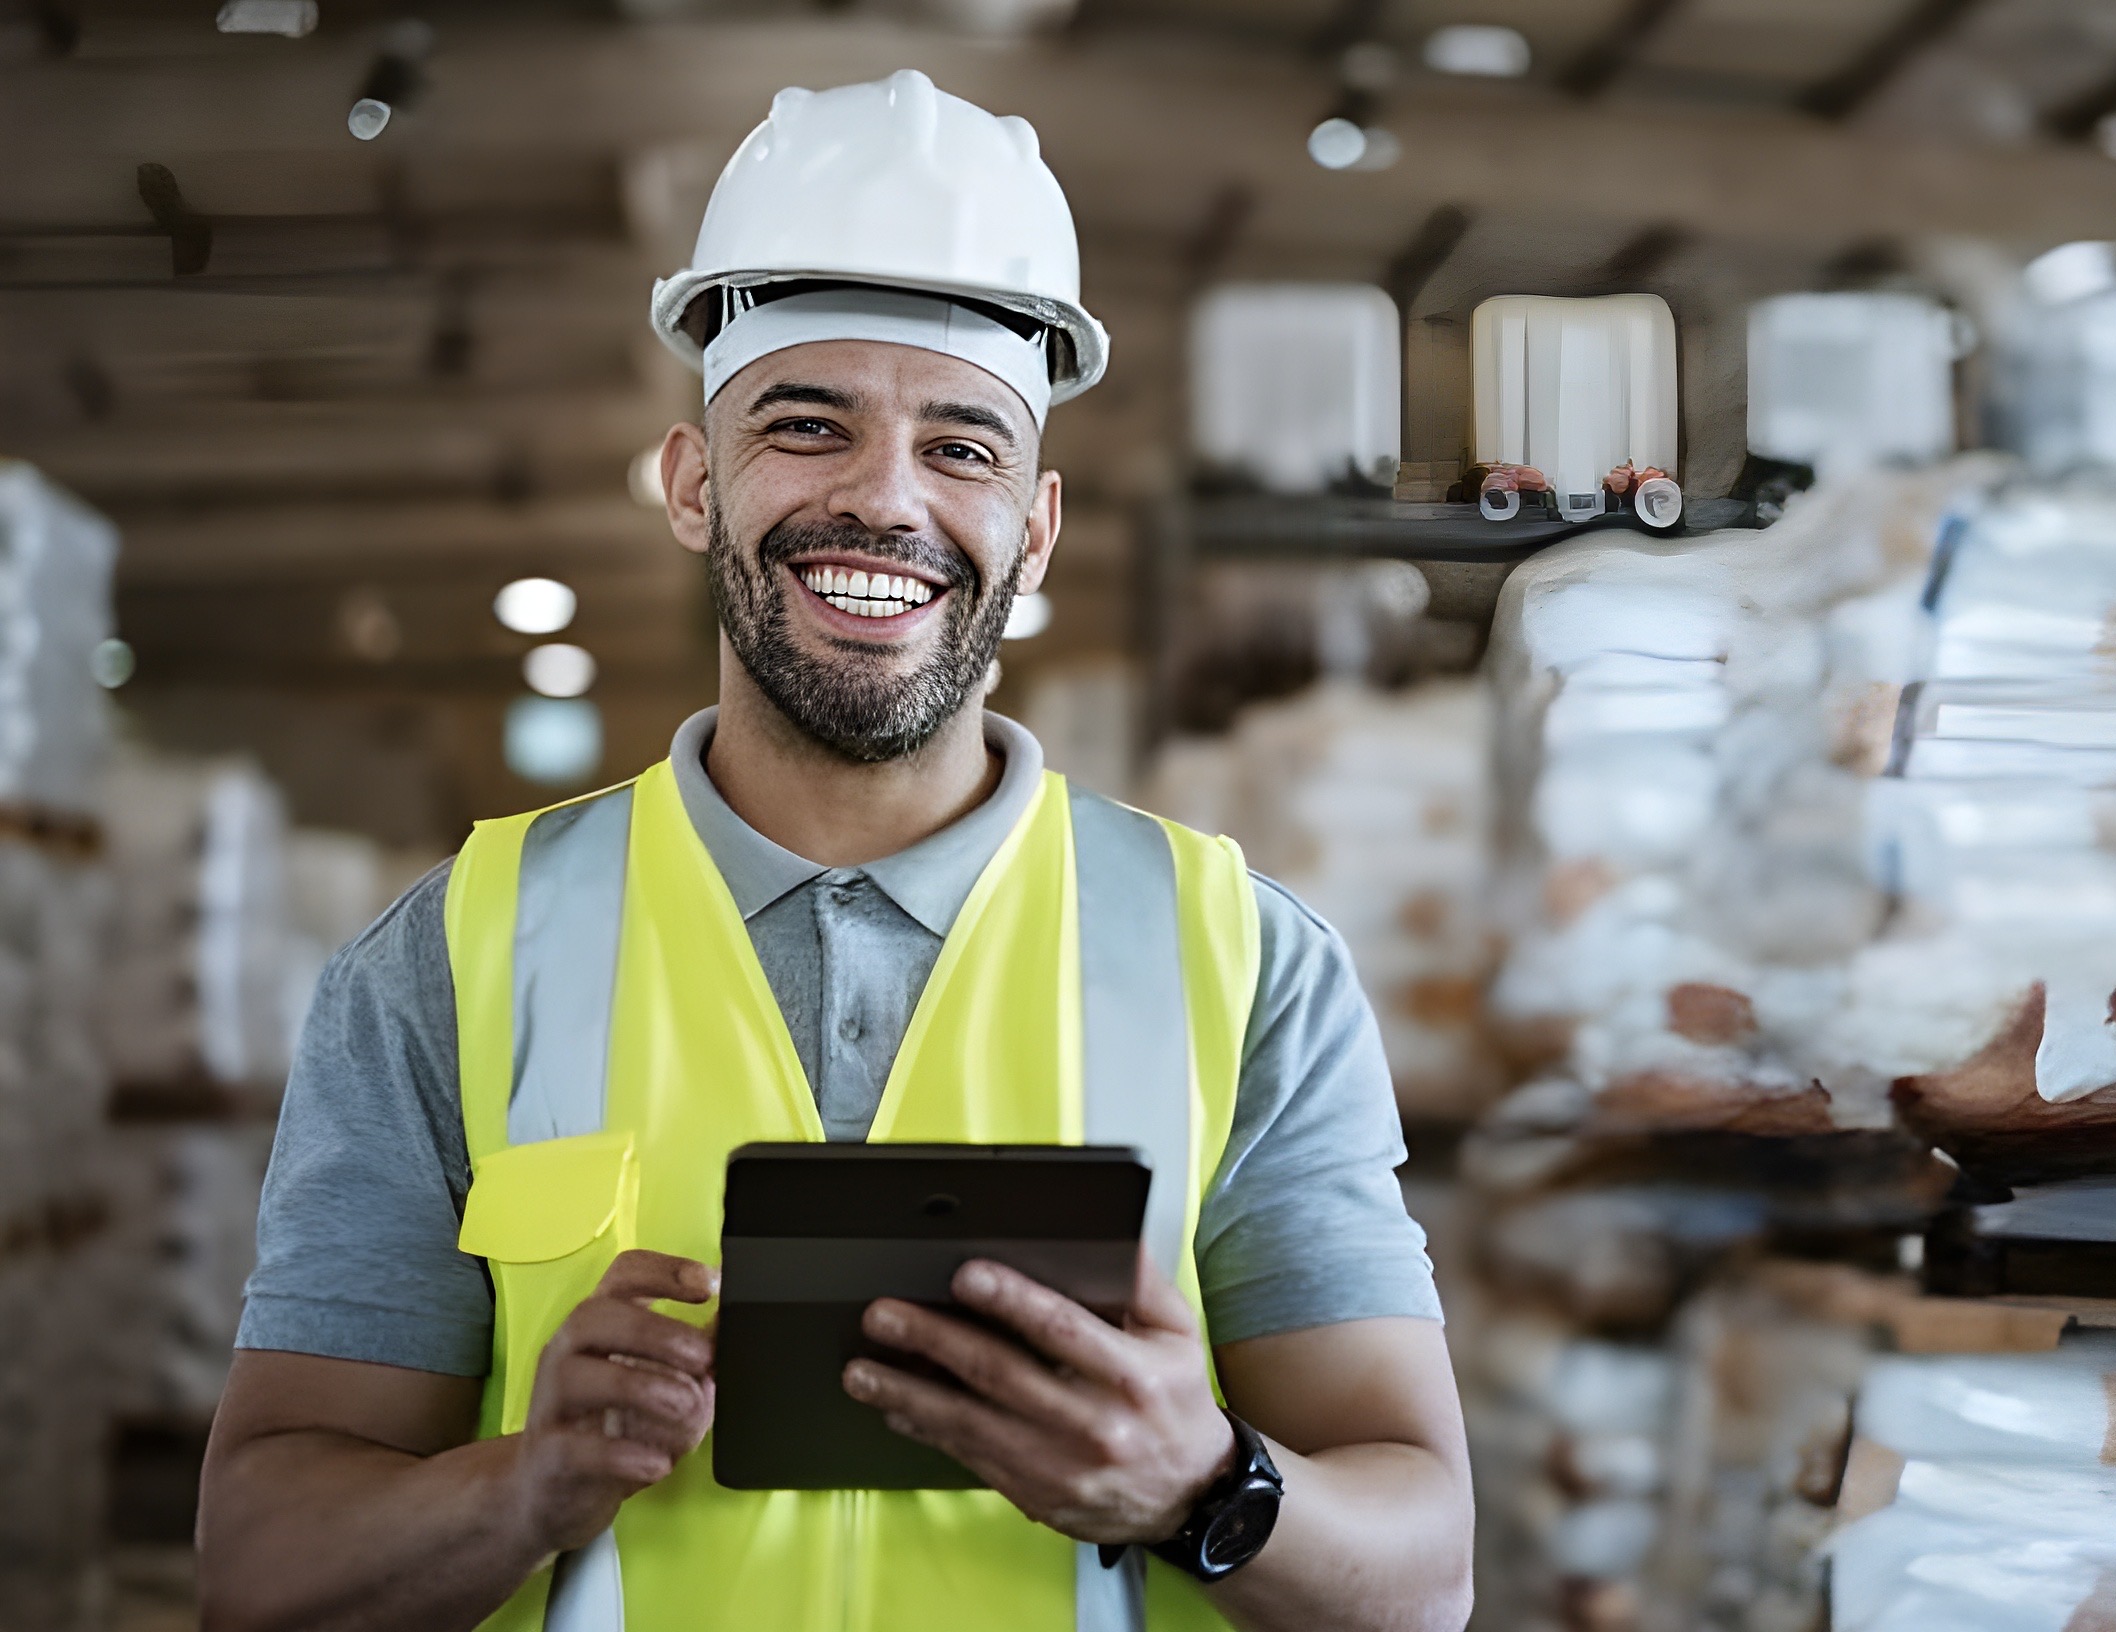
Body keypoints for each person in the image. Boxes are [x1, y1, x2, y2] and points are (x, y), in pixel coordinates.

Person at [196, 70, 1473, 1632]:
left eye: (963, 445)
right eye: (808, 427)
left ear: (1039, 526)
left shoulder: (1242, 959)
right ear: (692, 482)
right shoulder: (451, 958)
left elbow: (1423, 1576)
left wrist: (1203, 1484)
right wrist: (529, 1481)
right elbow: (262, 1570)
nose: (883, 499)